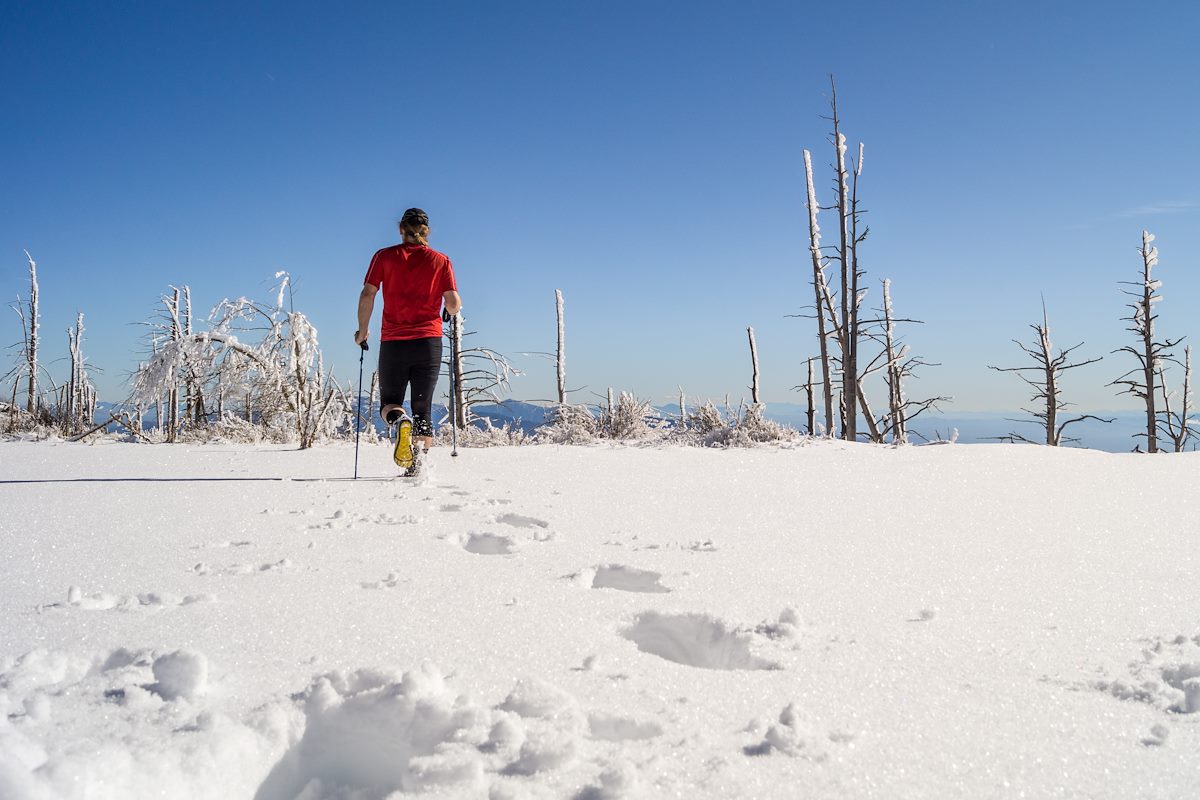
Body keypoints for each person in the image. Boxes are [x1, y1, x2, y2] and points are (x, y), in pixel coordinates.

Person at [354, 208, 461, 473]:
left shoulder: (384, 256)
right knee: (423, 407)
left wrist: (362, 331)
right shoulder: (440, 260)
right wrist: (448, 311)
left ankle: (400, 420)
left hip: (394, 342)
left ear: (401, 229)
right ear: (427, 232)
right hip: (429, 343)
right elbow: (454, 302)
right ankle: (418, 466)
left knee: (390, 403)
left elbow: (368, 294)